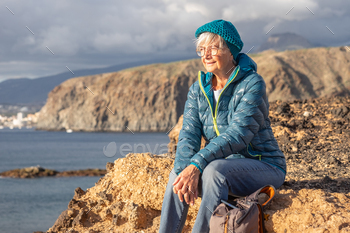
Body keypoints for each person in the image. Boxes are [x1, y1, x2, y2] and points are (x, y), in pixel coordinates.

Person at [159, 19, 286, 233]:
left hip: (263, 165)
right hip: (222, 167)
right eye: (201, 49)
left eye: (213, 48)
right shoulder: (198, 90)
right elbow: (188, 135)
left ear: (230, 51)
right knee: (177, 175)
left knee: (214, 171)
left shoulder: (252, 84)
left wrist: (197, 164)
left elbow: (239, 135)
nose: (206, 55)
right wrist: (186, 169)